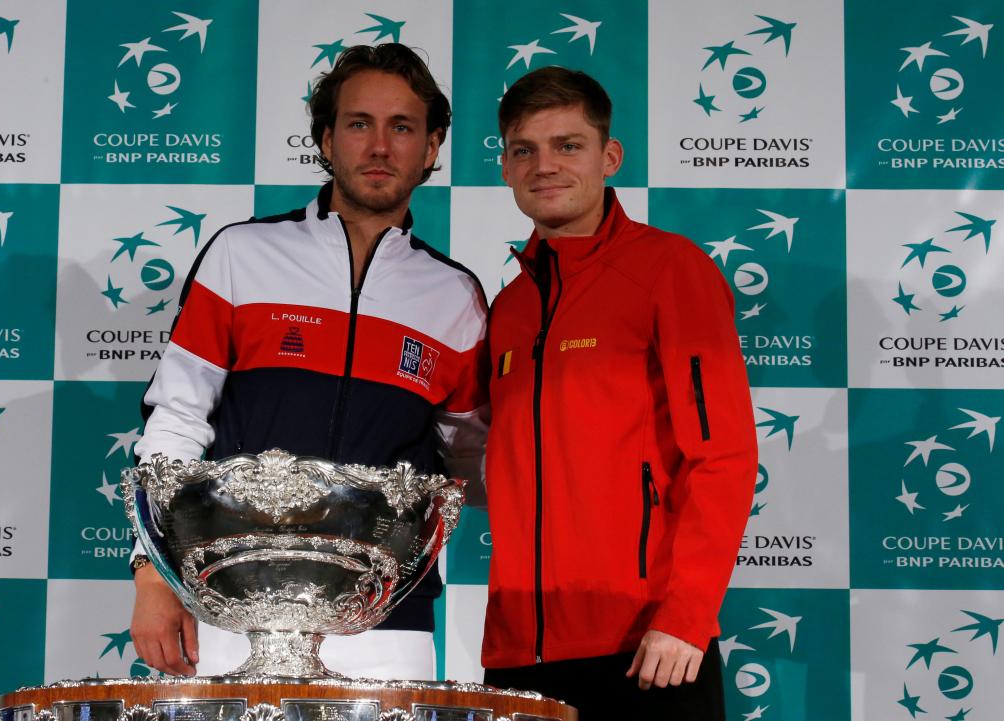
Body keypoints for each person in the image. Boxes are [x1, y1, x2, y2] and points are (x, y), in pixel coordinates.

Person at [128, 43, 489, 680]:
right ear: (326, 139)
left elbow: (469, 464)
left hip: (388, 616)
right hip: (234, 602)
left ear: (431, 149)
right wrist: (154, 575)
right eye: (359, 124)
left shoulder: (455, 296)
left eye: (401, 127)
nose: (379, 147)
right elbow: (177, 420)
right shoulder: (242, 254)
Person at [481, 66, 757, 719]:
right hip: (519, 653)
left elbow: (723, 456)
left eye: (567, 145)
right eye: (525, 150)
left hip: (646, 648)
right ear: (505, 168)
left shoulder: (670, 268)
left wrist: (687, 617)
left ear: (610, 156)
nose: (543, 165)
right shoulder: (510, 307)